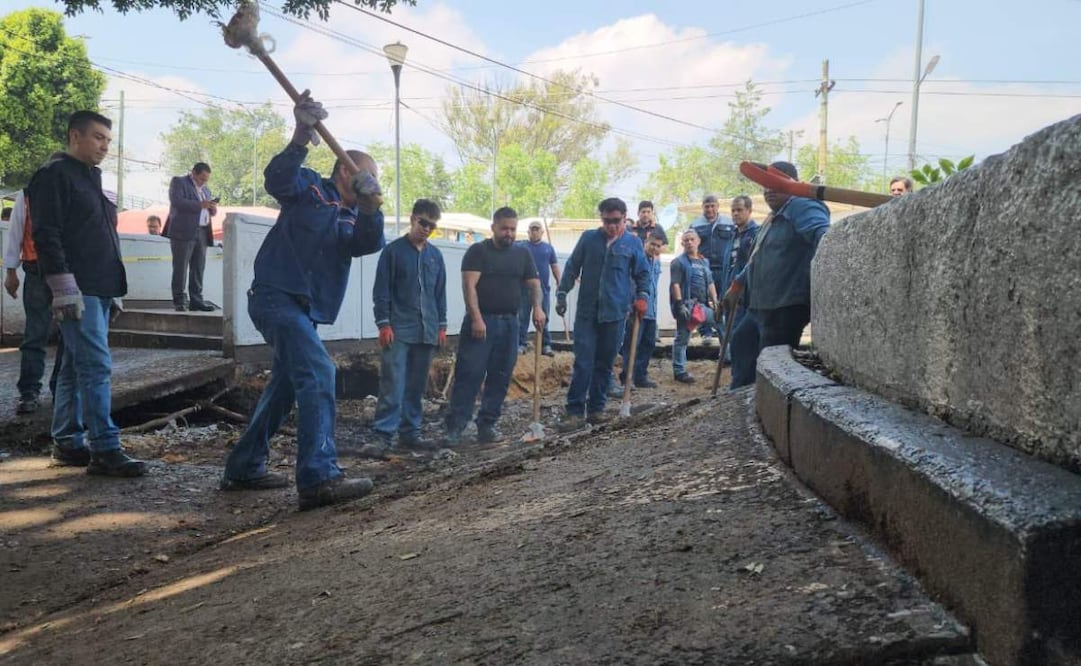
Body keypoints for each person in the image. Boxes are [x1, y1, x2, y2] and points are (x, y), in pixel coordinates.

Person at [220, 91, 385, 510]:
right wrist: (300, 135)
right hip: (275, 297)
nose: (372, 183)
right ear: (345, 172)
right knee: (319, 371)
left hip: (304, 313)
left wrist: (371, 208)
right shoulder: (310, 186)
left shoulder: (352, 218)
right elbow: (276, 179)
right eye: (367, 176)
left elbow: (368, 243)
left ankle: (244, 465)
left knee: (284, 387)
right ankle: (318, 476)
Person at [28, 111, 146, 476]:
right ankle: (105, 448)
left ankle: (67, 441)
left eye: (108, 141)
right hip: (77, 287)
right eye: (97, 138)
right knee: (96, 366)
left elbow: (101, 236)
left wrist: (114, 288)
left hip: (100, 286)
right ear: (74, 136)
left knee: (73, 369)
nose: (104, 147)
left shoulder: (92, 179)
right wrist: (62, 287)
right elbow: (46, 234)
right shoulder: (53, 176)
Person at [725, 161, 830, 388]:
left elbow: (823, 237)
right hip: (760, 306)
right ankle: (739, 399)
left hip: (785, 307)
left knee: (770, 366)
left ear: (793, 185)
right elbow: (756, 258)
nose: (768, 191)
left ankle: (763, 409)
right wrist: (737, 285)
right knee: (742, 343)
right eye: (765, 186)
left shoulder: (804, 207)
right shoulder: (772, 217)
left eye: (775, 185)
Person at [444, 207, 543, 445]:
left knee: (500, 376)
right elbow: (469, 287)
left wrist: (538, 307)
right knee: (469, 374)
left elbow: (534, 285)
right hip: (482, 323)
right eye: (504, 228)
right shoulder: (478, 252)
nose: (509, 233)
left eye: (512, 229)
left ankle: (487, 424)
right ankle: (455, 427)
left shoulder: (522, 255)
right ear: (493, 228)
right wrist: (476, 317)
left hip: (511, 323)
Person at [361, 199, 447, 459]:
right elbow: (381, 291)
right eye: (423, 223)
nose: (426, 229)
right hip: (398, 329)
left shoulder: (435, 256)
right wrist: (383, 323)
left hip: (427, 330)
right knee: (393, 382)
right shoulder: (393, 252)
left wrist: (442, 325)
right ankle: (383, 435)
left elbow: (439, 293)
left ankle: (411, 433)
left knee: (416, 384)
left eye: (432, 226)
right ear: (412, 219)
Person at [556, 198, 650, 431]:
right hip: (587, 313)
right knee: (584, 362)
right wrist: (561, 293)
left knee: (604, 364)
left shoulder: (632, 244)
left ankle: (596, 410)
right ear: (601, 219)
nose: (612, 226)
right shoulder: (589, 239)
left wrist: (643, 297)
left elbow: (643, 275)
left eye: (616, 221)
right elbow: (572, 267)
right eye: (607, 221)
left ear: (624, 217)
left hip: (616, 314)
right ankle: (575, 412)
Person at [4, 165, 66, 415]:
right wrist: (10, 272)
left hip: (66, 274)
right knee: (36, 335)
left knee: (68, 335)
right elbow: (16, 232)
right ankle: (30, 391)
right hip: (37, 271)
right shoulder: (27, 195)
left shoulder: (71, 193)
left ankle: (59, 388)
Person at [163, 162, 217, 311]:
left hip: (202, 231)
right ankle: (180, 301)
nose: (203, 182)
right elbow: (177, 202)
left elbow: (209, 210)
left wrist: (212, 208)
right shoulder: (179, 182)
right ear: (193, 172)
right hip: (183, 231)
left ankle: (196, 300)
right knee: (181, 267)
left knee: (198, 268)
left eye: (206, 180)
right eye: (201, 179)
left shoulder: (206, 190)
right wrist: (201, 205)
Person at [617, 231, 664, 390]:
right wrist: (632, 304)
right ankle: (626, 377)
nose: (655, 248)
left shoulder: (656, 263)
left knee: (648, 344)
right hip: (636, 308)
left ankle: (640, 376)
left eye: (658, 246)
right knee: (632, 345)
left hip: (651, 310)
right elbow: (630, 284)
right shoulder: (636, 260)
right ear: (646, 243)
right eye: (652, 244)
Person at [670, 228, 718, 384]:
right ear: (683, 243)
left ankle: (728, 359)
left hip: (703, 307)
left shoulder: (704, 262)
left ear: (698, 241)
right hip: (688, 306)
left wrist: (715, 302)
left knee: (721, 322)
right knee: (682, 338)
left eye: (692, 239)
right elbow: (675, 284)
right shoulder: (678, 262)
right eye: (686, 240)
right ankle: (679, 371)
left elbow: (710, 282)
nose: (689, 242)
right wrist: (679, 304)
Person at [691, 194, 735, 345]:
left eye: (712, 206)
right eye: (706, 206)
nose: (709, 209)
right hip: (702, 268)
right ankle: (706, 333)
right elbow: (690, 246)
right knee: (702, 301)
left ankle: (725, 335)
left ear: (717, 206)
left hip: (724, 269)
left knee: (723, 300)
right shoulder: (695, 225)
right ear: (702, 207)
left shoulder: (729, 223)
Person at [723, 195, 759, 366]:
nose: (735, 214)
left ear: (749, 211)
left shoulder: (756, 234)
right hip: (731, 293)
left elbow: (753, 265)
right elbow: (729, 267)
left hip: (745, 296)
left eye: (739, 210)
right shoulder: (733, 235)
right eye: (733, 210)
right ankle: (736, 376)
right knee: (732, 335)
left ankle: (741, 378)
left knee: (740, 338)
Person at [516, 220, 561, 357]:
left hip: (543, 291)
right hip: (524, 290)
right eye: (532, 229)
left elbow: (554, 266)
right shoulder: (521, 247)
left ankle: (545, 345)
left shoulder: (548, 248)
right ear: (528, 232)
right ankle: (521, 344)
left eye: (537, 229)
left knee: (543, 318)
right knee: (522, 318)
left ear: (542, 232)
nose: (534, 232)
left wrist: (560, 283)